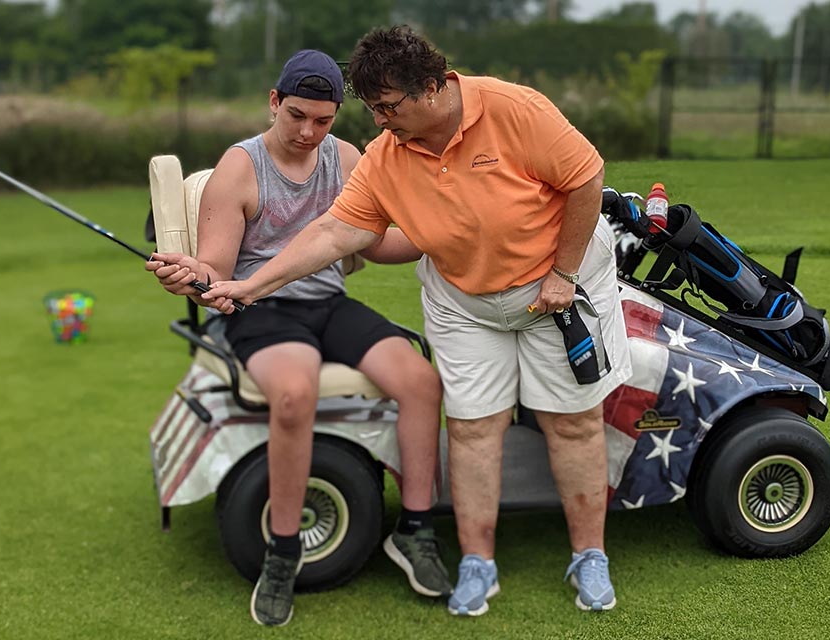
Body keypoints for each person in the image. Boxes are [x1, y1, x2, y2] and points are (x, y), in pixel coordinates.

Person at [200, 28, 633, 615]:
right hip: (464, 299)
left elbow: (586, 176)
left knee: (572, 424)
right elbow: (335, 232)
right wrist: (248, 286)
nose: (377, 122)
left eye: (386, 107)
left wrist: (563, 273)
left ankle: (590, 556)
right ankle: (477, 563)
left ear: (431, 89)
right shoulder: (386, 155)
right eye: (373, 108)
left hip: (556, 290)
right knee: (474, 426)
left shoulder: (514, 109)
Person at [145, 49, 452, 627]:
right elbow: (215, 267)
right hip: (260, 311)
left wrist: (445, 231)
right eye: (297, 116)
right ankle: (283, 553)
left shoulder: (347, 158)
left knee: (420, 382)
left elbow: (373, 245)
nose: (309, 132)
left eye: (323, 120)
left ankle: (414, 531)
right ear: (273, 102)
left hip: (327, 304)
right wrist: (186, 276)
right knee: (293, 393)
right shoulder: (240, 167)